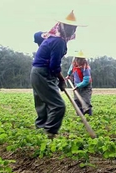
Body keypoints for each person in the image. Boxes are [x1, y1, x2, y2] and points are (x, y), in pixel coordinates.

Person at [30, 10, 85, 139]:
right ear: (61, 26)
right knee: (58, 106)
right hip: (43, 73)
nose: (71, 30)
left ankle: (41, 130)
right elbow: (54, 66)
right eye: (68, 27)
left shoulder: (52, 38)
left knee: (42, 103)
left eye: (73, 27)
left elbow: (39, 36)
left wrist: (59, 80)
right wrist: (61, 79)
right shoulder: (59, 41)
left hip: (37, 72)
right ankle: (49, 133)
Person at [66, 50, 93, 116]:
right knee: (77, 100)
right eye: (78, 59)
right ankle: (79, 114)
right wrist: (68, 75)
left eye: (81, 59)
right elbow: (70, 69)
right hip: (76, 85)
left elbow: (86, 80)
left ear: (84, 60)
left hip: (86, 86)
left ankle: (88, 114)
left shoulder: (86, 68)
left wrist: (78, 86)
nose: (79, 61)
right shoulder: (74, 64)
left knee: (85, 100)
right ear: (75, 59)